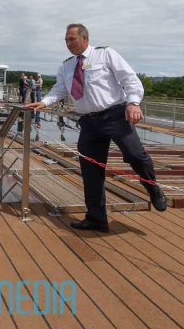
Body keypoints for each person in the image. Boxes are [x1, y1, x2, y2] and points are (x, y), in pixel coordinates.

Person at [24, 23, 167, 232]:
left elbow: (129, 79)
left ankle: (152, 188)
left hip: (115, 115)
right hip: (89, 122)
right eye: (66, 40)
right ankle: (96, 218)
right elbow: (59, 90)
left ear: (85, 39)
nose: (68, 43)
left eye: (71, 39)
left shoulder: (105, 55)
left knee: (135, 155)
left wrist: (133, 102)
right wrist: (44, 102)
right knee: (91, 170)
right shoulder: (66, 66)